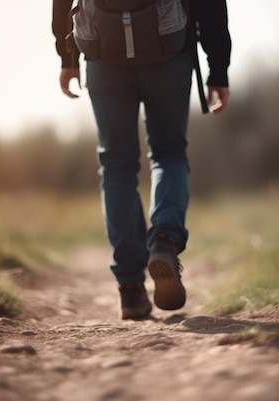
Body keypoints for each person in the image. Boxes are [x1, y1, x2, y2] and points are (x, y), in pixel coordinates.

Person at [52, 0, 231, 320]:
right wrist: (218, 66)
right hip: (168, 50)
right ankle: (164, 239)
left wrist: (67, 57)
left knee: (116, 167)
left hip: (102, 52)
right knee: (169, 154)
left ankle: (131, 289)